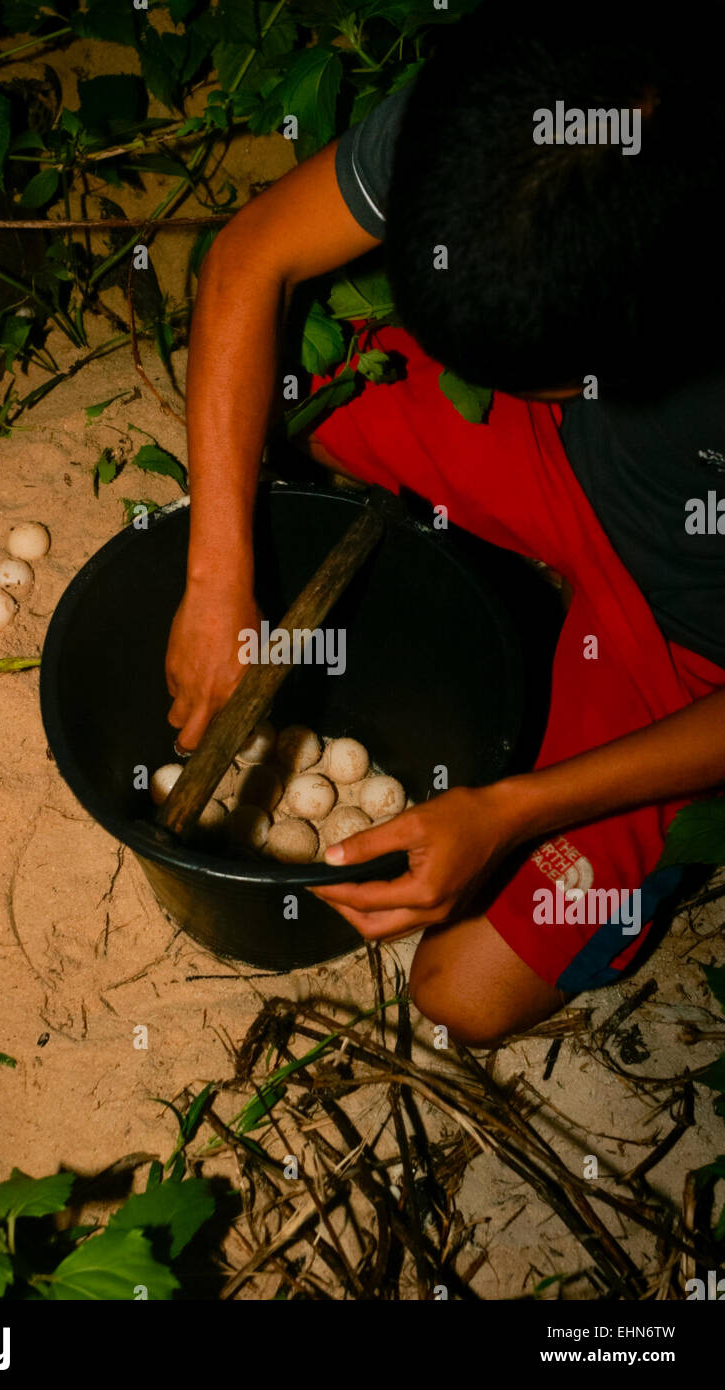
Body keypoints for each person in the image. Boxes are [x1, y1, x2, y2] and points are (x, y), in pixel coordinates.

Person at [165, 0, 725, 1045]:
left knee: (460, 994)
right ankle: (532, 559)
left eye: (543, 375)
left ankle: (638, 826)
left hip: (693, 642)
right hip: (561, 459)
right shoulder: (525, 96)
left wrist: (512, 807)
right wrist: (216, 573)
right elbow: (250, 258)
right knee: (271, 380)